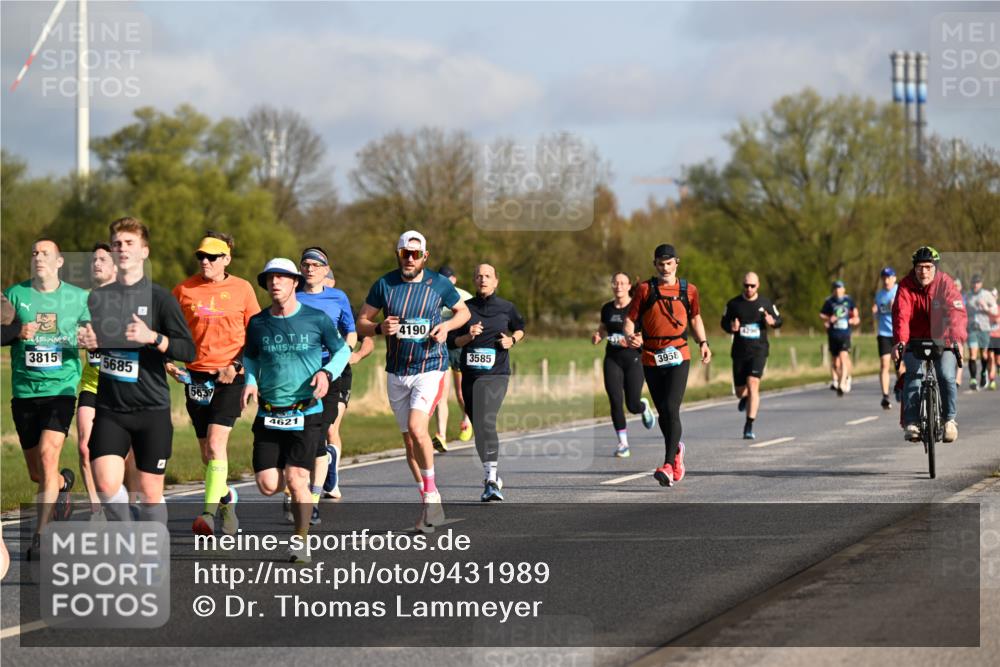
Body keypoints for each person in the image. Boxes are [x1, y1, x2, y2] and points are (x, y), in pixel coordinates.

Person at [78, 217, 196, 525]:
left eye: (130, 243)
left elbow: (188, 350)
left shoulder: (160, 298)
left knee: (150, 491)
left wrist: (153, 338)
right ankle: (130, 534)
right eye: (117, 244)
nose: (122, 248)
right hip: (110, 407)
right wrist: (92, 344)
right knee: (105, 485)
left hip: (151, 408)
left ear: (144, 251)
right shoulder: (98, 298)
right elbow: (101, 345)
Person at [356, 230, 470, 532]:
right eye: (405, 253)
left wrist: (446, 327)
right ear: (398, 254)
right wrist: (379, 328)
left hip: (430, 367)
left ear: (425, 257)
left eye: (415, 254)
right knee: (409, 443)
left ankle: (432, 495)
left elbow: (463, 312)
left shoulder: (439, 283)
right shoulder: (384, 284)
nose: (410, 258)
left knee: (420, 429)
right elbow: (361, 323)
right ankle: (430, 503)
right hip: (396, 371)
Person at [241, 258, 350, 563]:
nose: (275, 283)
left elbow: (343, 350)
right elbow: (249, 357)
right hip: (269, 413)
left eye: (282, 278)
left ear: (294, 283)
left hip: (306, 411)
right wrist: (250, 381)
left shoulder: (316, 319)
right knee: (267, 485)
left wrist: (327, 373)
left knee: (297, 479)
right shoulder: (259, 323)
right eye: (270, 279)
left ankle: (300, 542)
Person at [170, 232, 260, 536]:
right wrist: (168, 360)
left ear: (226, 259)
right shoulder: (184, 289)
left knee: (216, 443)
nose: (205, 262)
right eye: (201, 257)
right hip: (195, 377)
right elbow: (165, 328)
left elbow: (257, 335)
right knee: (206, 454)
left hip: (230, 377)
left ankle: (207, 515)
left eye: (212, 257)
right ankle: (226, 499)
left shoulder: (243, 289)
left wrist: (235, 367)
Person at [4, 239, 89, 558]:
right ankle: (63, 485)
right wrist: (15, 333)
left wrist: (90, 339)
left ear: (59, 262)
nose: (38, 257)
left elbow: (95, 336)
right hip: (24, 392)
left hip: (62, 390)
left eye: (45, 254)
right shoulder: (15, 295)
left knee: (47, 454)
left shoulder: (79, 298)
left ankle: (40, 536)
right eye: (34, 252)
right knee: (38, 474)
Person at [623, 244, 711, 487]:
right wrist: (630, 336)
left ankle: (668, 465)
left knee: (672, 407)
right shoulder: (644, 289)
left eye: (669, 263)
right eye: (660, 264)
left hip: (679, 354)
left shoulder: (689, 290)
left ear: (676, 263)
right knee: (664, 411)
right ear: (655, 265)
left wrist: (702, 342)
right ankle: (677, 452)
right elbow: (630, 320)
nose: (665, 268)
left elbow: (695, 318)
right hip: (651, 355)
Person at [451, 264, 525, 501]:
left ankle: (491, 480)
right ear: (474, 280)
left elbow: (520, 328)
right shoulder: (465, 310)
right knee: (480, 428)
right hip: (471, 376)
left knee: (487, 420)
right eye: (479, 276)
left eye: (487, 276)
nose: (483, 279)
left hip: (496, 374)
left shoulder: (507, 308)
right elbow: (454, 342)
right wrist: (468, 335)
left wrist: (512, 340)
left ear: (496, 281)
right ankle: (490, 473)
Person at [292, 247, 356, 519]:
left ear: (324, 269)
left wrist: (340, 361)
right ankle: (301, 487)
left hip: (331, 374)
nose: (310, 268)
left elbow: (351, 334)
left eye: (315, 265)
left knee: (319, 431)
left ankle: (313, 500)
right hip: (297, 377)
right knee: (298, 436)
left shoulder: (338, 297)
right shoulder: (291, 296)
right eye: (305, 264)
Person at [76, 242, 130, 520]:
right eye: (93, 260)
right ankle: (96, 510)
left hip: (121, 385)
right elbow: (67, 333)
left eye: (102, 259)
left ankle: (125, 499)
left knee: (122, 455)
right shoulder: (82, 298)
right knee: (85, 446)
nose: (96, 264)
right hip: (92, 383)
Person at [891, 246, 967, 443]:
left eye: (927, 267)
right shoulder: (905, 286)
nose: (923, 271)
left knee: (945, 375)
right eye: (919, 267)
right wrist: (900, 342)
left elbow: (956, 312)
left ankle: (949, 420)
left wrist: (957, 339)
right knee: (913, 376)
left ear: (935, 268)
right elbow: (901, 316)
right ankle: (912, 422)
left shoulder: (945, 284)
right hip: (913, 339)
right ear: (914, 268)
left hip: (944, 338)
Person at [592, 272, 654, 457]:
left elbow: (648, 333)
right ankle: (623, 444)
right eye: (615, 283)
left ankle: (643, 407)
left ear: (629, 287)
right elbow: (603, 328)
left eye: (622, 283)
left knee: (632, 404)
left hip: (634, 358)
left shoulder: (636, 308)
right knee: (615, 401)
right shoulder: (607, 309)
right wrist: (598, 335)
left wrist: (633, 340)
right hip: (612, 359)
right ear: (612, 285)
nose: (618, 286)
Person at [720, 272, 782, 440]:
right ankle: (744, 398)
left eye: (752, 286)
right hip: (740, 352)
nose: (749, 289)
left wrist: (773, 322)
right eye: (746, 285)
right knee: (740, 391)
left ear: (758, 285)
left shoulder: (765, 303)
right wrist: (731, 326)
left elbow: (778, 320)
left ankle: (749, 425)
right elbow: (723, 322)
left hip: (759, 350)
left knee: (753, 383)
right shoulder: (734, 304)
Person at [432, 265, 475, 451]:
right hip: (439, 347)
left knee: (460, 393)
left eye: (448, 279)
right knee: (441, 395)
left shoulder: (464, 296)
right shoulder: (431, 295)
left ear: (454, 280)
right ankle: (440, 436)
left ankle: (468, 419)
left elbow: (473, 319)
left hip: (459, 346)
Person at [820, 280, 860, 396]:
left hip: (845, 334)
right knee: (835, 363)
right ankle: (841, 378)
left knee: (843, 357)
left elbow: (856, 316)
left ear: (844, 289)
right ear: (833, 290)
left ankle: (842, 383)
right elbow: (822, 314)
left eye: (840, 288)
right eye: (836, 288)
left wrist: (853, 320)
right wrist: (828, 319)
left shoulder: (849, 300)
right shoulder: (829, 301)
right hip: (833, 334)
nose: (838, 290)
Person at [872, 267, 900, 409]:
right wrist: (875, 313)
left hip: (898, 333)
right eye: (884, 277)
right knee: (884, 363)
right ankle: (885, 396)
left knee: (899, 366)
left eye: (889, 277)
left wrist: (896, 307)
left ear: (894, 278)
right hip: (883, 333)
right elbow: (877, 316)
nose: (886, 280)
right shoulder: (879, 295)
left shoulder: (900, 291)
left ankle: (901, 387)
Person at [965, 274, 998, 390]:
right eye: (973, 283)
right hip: (972, 329)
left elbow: (995, 313)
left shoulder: (987, 295)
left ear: (981, 284)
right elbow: (963, 311)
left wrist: (986, 308)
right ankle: (973, 379)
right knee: (973, 354)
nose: (975, 285)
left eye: (977, 283)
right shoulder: (968, 296)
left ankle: (983, 373)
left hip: (985, 329)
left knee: (984, 355)